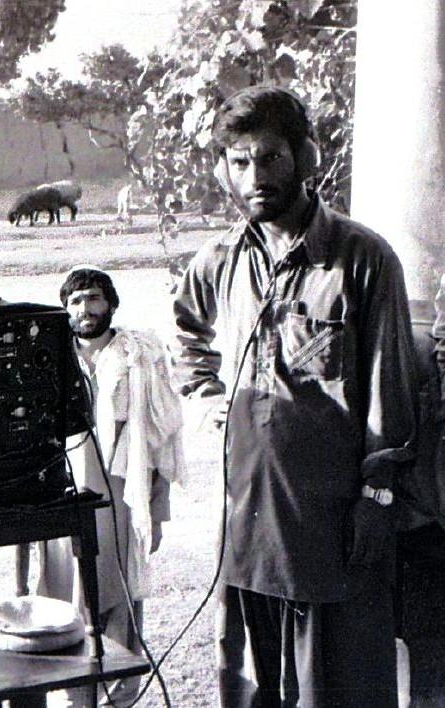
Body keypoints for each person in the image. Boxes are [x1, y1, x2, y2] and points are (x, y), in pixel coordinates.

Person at [172, 85, 416, 707]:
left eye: (270, 156)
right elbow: (186, 330)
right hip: (249, 518)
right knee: (255, 683)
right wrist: (207, 394)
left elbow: (390, 392)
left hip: (333, 518)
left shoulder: (362, 260)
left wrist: (377, 494)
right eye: (238, 162)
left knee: (338, 684)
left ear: (306, 157)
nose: (254, 176)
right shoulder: (219, 259)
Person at [35, 266, 185, 707]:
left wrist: (155, 513)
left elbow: (157, 441)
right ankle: (77, 700)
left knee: (119, 604)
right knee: (65, 604)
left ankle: (121, 699)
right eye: (77, 300)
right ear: (66, 309)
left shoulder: (137, 359)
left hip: (119, 502)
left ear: (111, 304)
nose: (86, 309)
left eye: (94, 298)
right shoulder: (52, 361)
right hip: (64, 502)